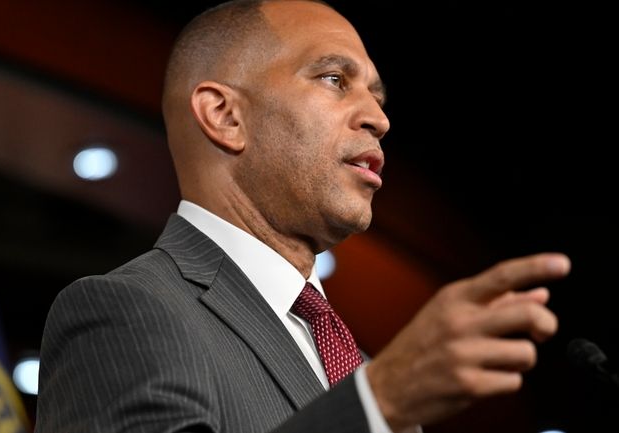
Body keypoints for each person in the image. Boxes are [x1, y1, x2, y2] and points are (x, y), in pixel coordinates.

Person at [35, 1, 571, 432]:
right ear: (225, 116)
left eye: (377, 96)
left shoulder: (353, 358)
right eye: (335, 79)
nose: (379, 118)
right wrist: (378, 402)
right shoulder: (125, 313)